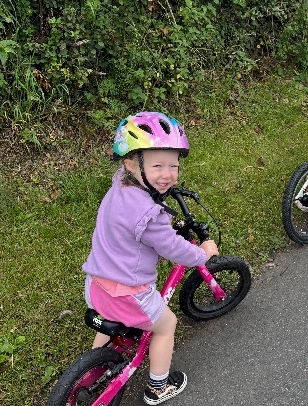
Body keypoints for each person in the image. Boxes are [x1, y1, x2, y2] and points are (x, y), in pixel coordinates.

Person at [81, 111, 218, 405]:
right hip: (128, 294)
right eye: (157, 166)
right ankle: (158, 387)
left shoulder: (121, 183)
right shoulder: (148, 215)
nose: (167, 174)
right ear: (131, 164)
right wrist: (201, 254)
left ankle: (91, 372)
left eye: (174, 165)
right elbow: (173, 248)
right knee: (166, 326)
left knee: (112, 317)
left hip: (95, 284)